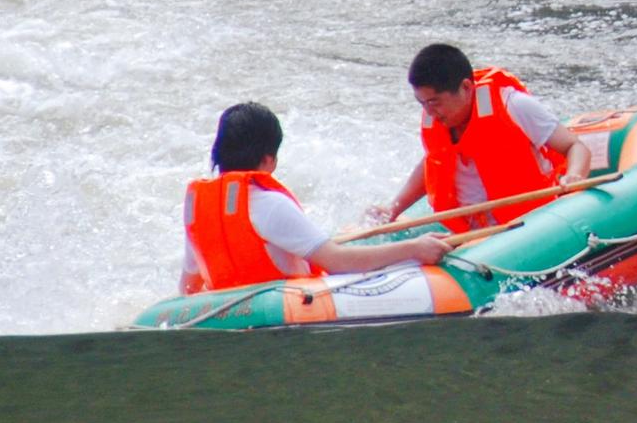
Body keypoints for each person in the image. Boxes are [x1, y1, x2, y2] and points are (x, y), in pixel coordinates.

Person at [180, 102, 452, 295]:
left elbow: (189, 287)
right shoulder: (269, 204)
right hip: (290, 311)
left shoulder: (198, 210)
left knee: (350, 235)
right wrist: (414, 249)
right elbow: (337, 261)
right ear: (268, 159)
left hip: (236, 314)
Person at [379, 42, 592, 232]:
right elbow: (433, 163)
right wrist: (393, 209)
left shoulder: (514, 105)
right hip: (472, 235)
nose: (429, 112)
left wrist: (575, 177)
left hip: (529, 227)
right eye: (422, 103)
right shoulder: (436, 118)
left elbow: (575, 146)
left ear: (466, 88)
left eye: (434, 102)